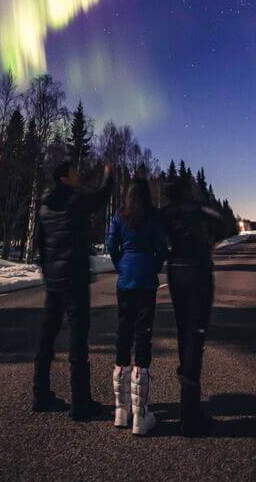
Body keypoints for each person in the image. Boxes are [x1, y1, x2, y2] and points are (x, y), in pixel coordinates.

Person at [32, 160, 114, 421]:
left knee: (47, 337)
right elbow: (100, 197)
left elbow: (39, 245)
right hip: (75, 278)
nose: (78, 175)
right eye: (74, 172)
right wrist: (108, 175)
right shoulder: (74, 200)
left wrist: (48, 275)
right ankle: (80, 403)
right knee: (78, 339)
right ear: (64, 178)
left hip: (55, 281)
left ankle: (40, 395)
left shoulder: (44, 206)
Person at [161, 180, 226, 437]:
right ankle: (190, 413)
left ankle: (187, 387)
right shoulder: (198, 209)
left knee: (182, 330)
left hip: (176, 272)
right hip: (199, 271)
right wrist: (209, 242)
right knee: (196, 336)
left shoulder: (165, 213)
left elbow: (154, 231)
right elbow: (221, 222)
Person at [106, 178, 167, 436]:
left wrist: (122, 265)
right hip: (145, 280)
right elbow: (161, 247)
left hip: (125, 279)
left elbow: (111, 244)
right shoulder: (153, 216)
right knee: (143, 336)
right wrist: (152, 266)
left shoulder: (120, 215)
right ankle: (140, 415)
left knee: (123, 334)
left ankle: (120, 410)